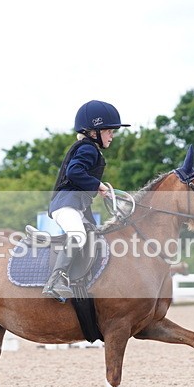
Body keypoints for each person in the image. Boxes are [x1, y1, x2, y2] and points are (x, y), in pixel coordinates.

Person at [42, 100, 130, 301]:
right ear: (93, 132)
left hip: (75, 207)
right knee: (79, 235)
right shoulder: (88, 148)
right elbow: (74, 172)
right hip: (65, 205)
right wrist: (97, 184)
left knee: (94, 236)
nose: (112, 136)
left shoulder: (90, 149)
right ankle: (56, 280)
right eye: (109, 131)